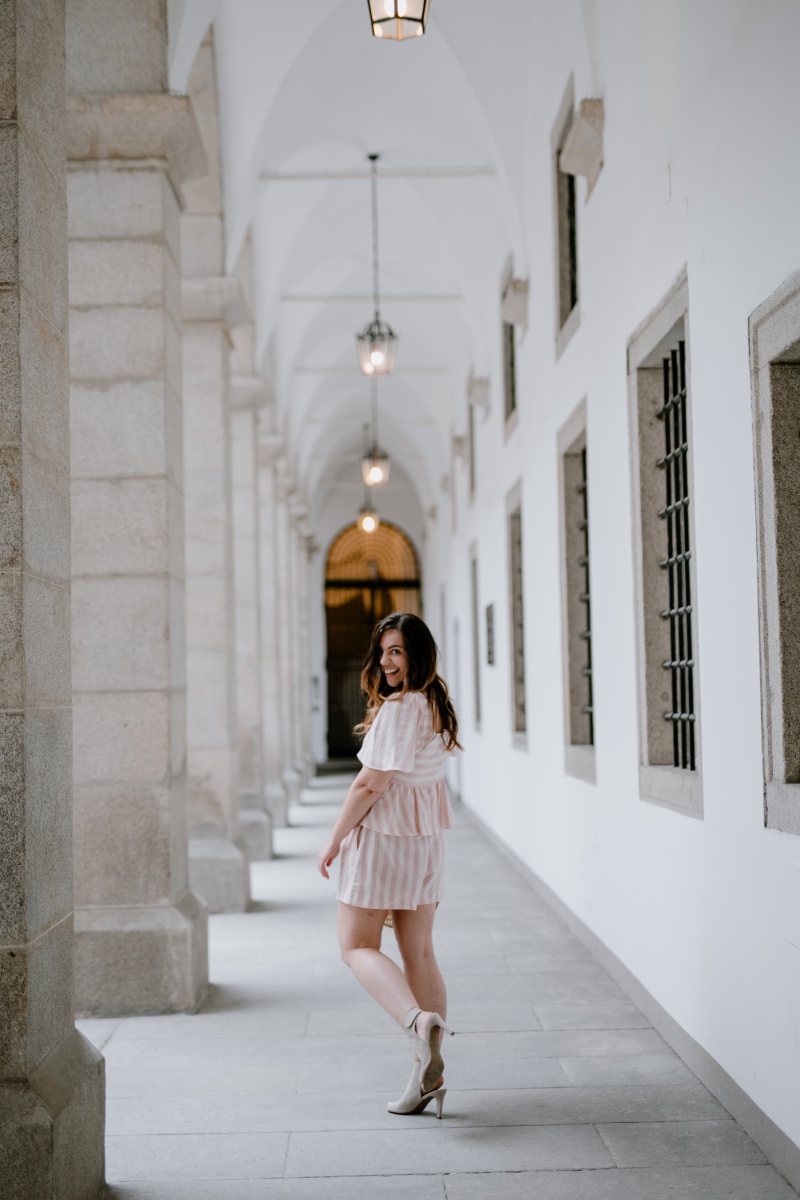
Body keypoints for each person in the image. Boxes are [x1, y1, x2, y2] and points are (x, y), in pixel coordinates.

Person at [317, 611, 462, 1118]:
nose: (385, 662)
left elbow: (369, 784)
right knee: (419, 953)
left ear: (417, 654)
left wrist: (334, 840)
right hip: (423, 843)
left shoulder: (401, 707)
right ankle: (426, 1075)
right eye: (382, 652)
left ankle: (417, 1022)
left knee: (356, 946)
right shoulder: (434, 702)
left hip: (383, 841)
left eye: (396, 651)